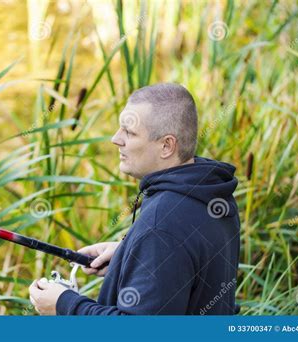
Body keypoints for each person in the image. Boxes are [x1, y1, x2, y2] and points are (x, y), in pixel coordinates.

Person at [29, 83, 240, 315]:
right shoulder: (209, 191)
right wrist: (128, 254)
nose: (115, 139)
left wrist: (64, 305)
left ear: (167, 146)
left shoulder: (161, 227)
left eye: (129, 132)